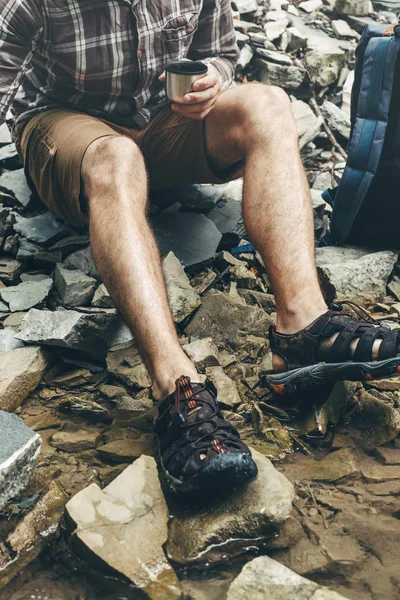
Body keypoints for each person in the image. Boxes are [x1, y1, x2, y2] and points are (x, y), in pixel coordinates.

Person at [1, 0, 399, 494]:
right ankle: (174, 385)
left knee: (268, 103)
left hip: (162, 124)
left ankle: (303, 326)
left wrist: (213, 76)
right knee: (117, 157)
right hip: (74, 141)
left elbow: (221, 54)